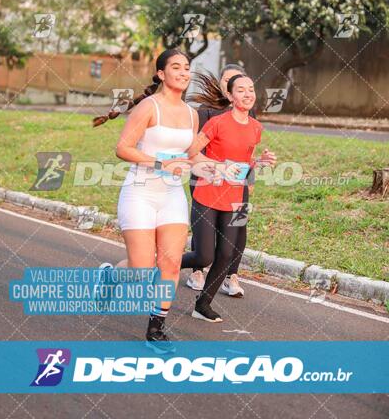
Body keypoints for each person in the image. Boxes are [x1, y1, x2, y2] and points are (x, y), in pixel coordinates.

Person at [94, 49, 205, 353]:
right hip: (140, 192)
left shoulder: (191, 114)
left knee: (170, 262)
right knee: (141, 270)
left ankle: (156, 329)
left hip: (171, 195)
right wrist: (159, 163)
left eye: (187, 68)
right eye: (176, 67)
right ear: (161, 74)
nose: (184, 72)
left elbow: (192, 155)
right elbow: (123, 148)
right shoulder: (148, 107)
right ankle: (110, 276)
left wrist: (221, 167)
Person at [182, 74, 277, 322]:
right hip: (208, 194)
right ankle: (161, 267)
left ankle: (202, 305)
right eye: (241, 90)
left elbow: (245, 162)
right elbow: (191, 153)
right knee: (204, 256)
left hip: (237, 197)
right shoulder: (217, 122)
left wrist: (260, 163)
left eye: (251, 89)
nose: (248, 94)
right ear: (230, 96)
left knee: (227, 254)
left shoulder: (256, 128)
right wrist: (218, 166)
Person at [185, 65, 257, 297]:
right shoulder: (207, 111)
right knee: (205, 230)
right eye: (230, 81)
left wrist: (250, 177)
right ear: (226, 89)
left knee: (239, 227)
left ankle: (231, 275)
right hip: (208, 180)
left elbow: (249, 150)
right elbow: (194, 149)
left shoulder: (249, 113)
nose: (235, 85)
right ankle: (197, 270)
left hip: (238, 183)